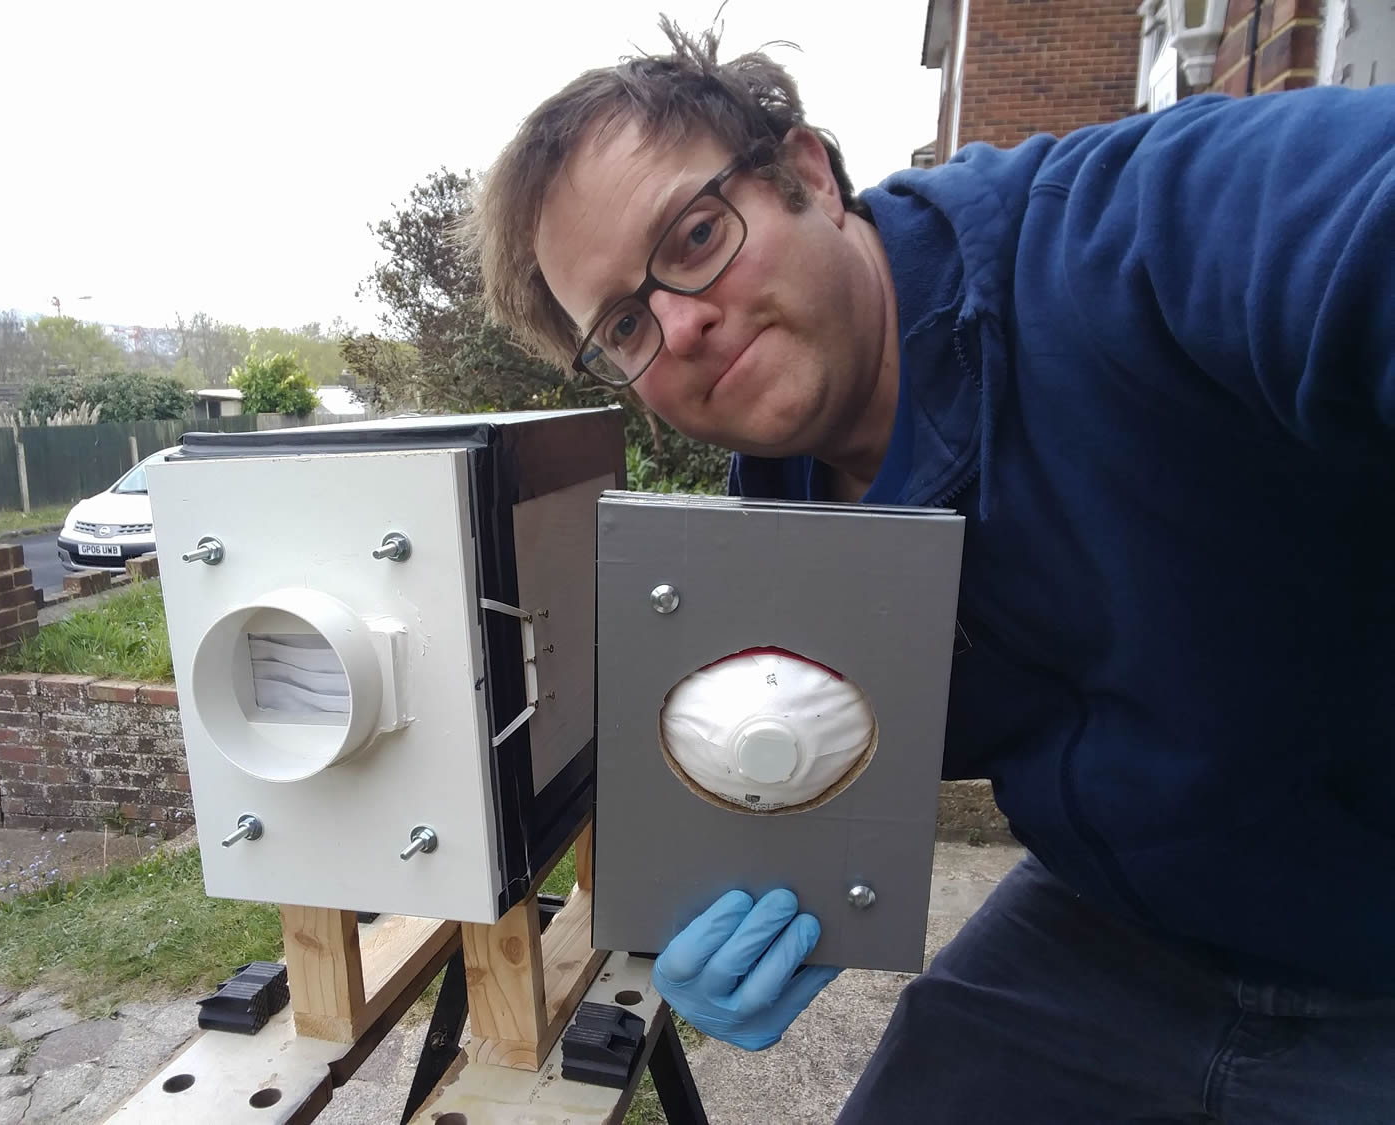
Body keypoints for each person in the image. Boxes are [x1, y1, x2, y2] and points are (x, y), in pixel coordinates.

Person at [462, 19, 1395, 1123]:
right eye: (625, 322)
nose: (684, 321)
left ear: (807, 172)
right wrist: (778, 876)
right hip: (1122, 933)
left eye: (698, 234)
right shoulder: (778, 537)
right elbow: (817, 780)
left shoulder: (1127, 239)